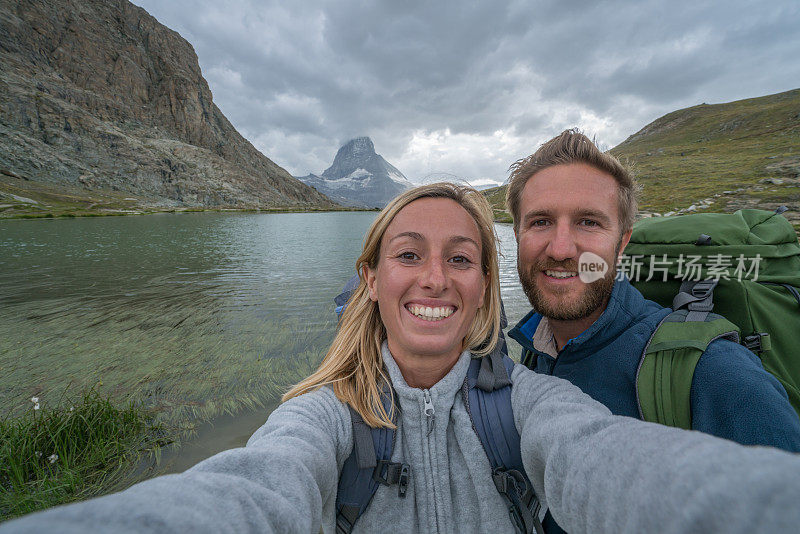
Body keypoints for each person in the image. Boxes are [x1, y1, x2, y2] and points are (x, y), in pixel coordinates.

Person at [6, 182, 800, 534]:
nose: (433, 278)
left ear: (484, 287)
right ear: (370, 278)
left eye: (462, 258)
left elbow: (604, 460)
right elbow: (255, 491)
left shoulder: (529, 401)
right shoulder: (318, 416)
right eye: (409, 254)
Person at [505, 130, 800, 530]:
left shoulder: (713, 370)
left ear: (621, 242)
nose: (560, 249)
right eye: (540, 222)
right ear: (517, 234)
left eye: (588, 222)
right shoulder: (534, 349)